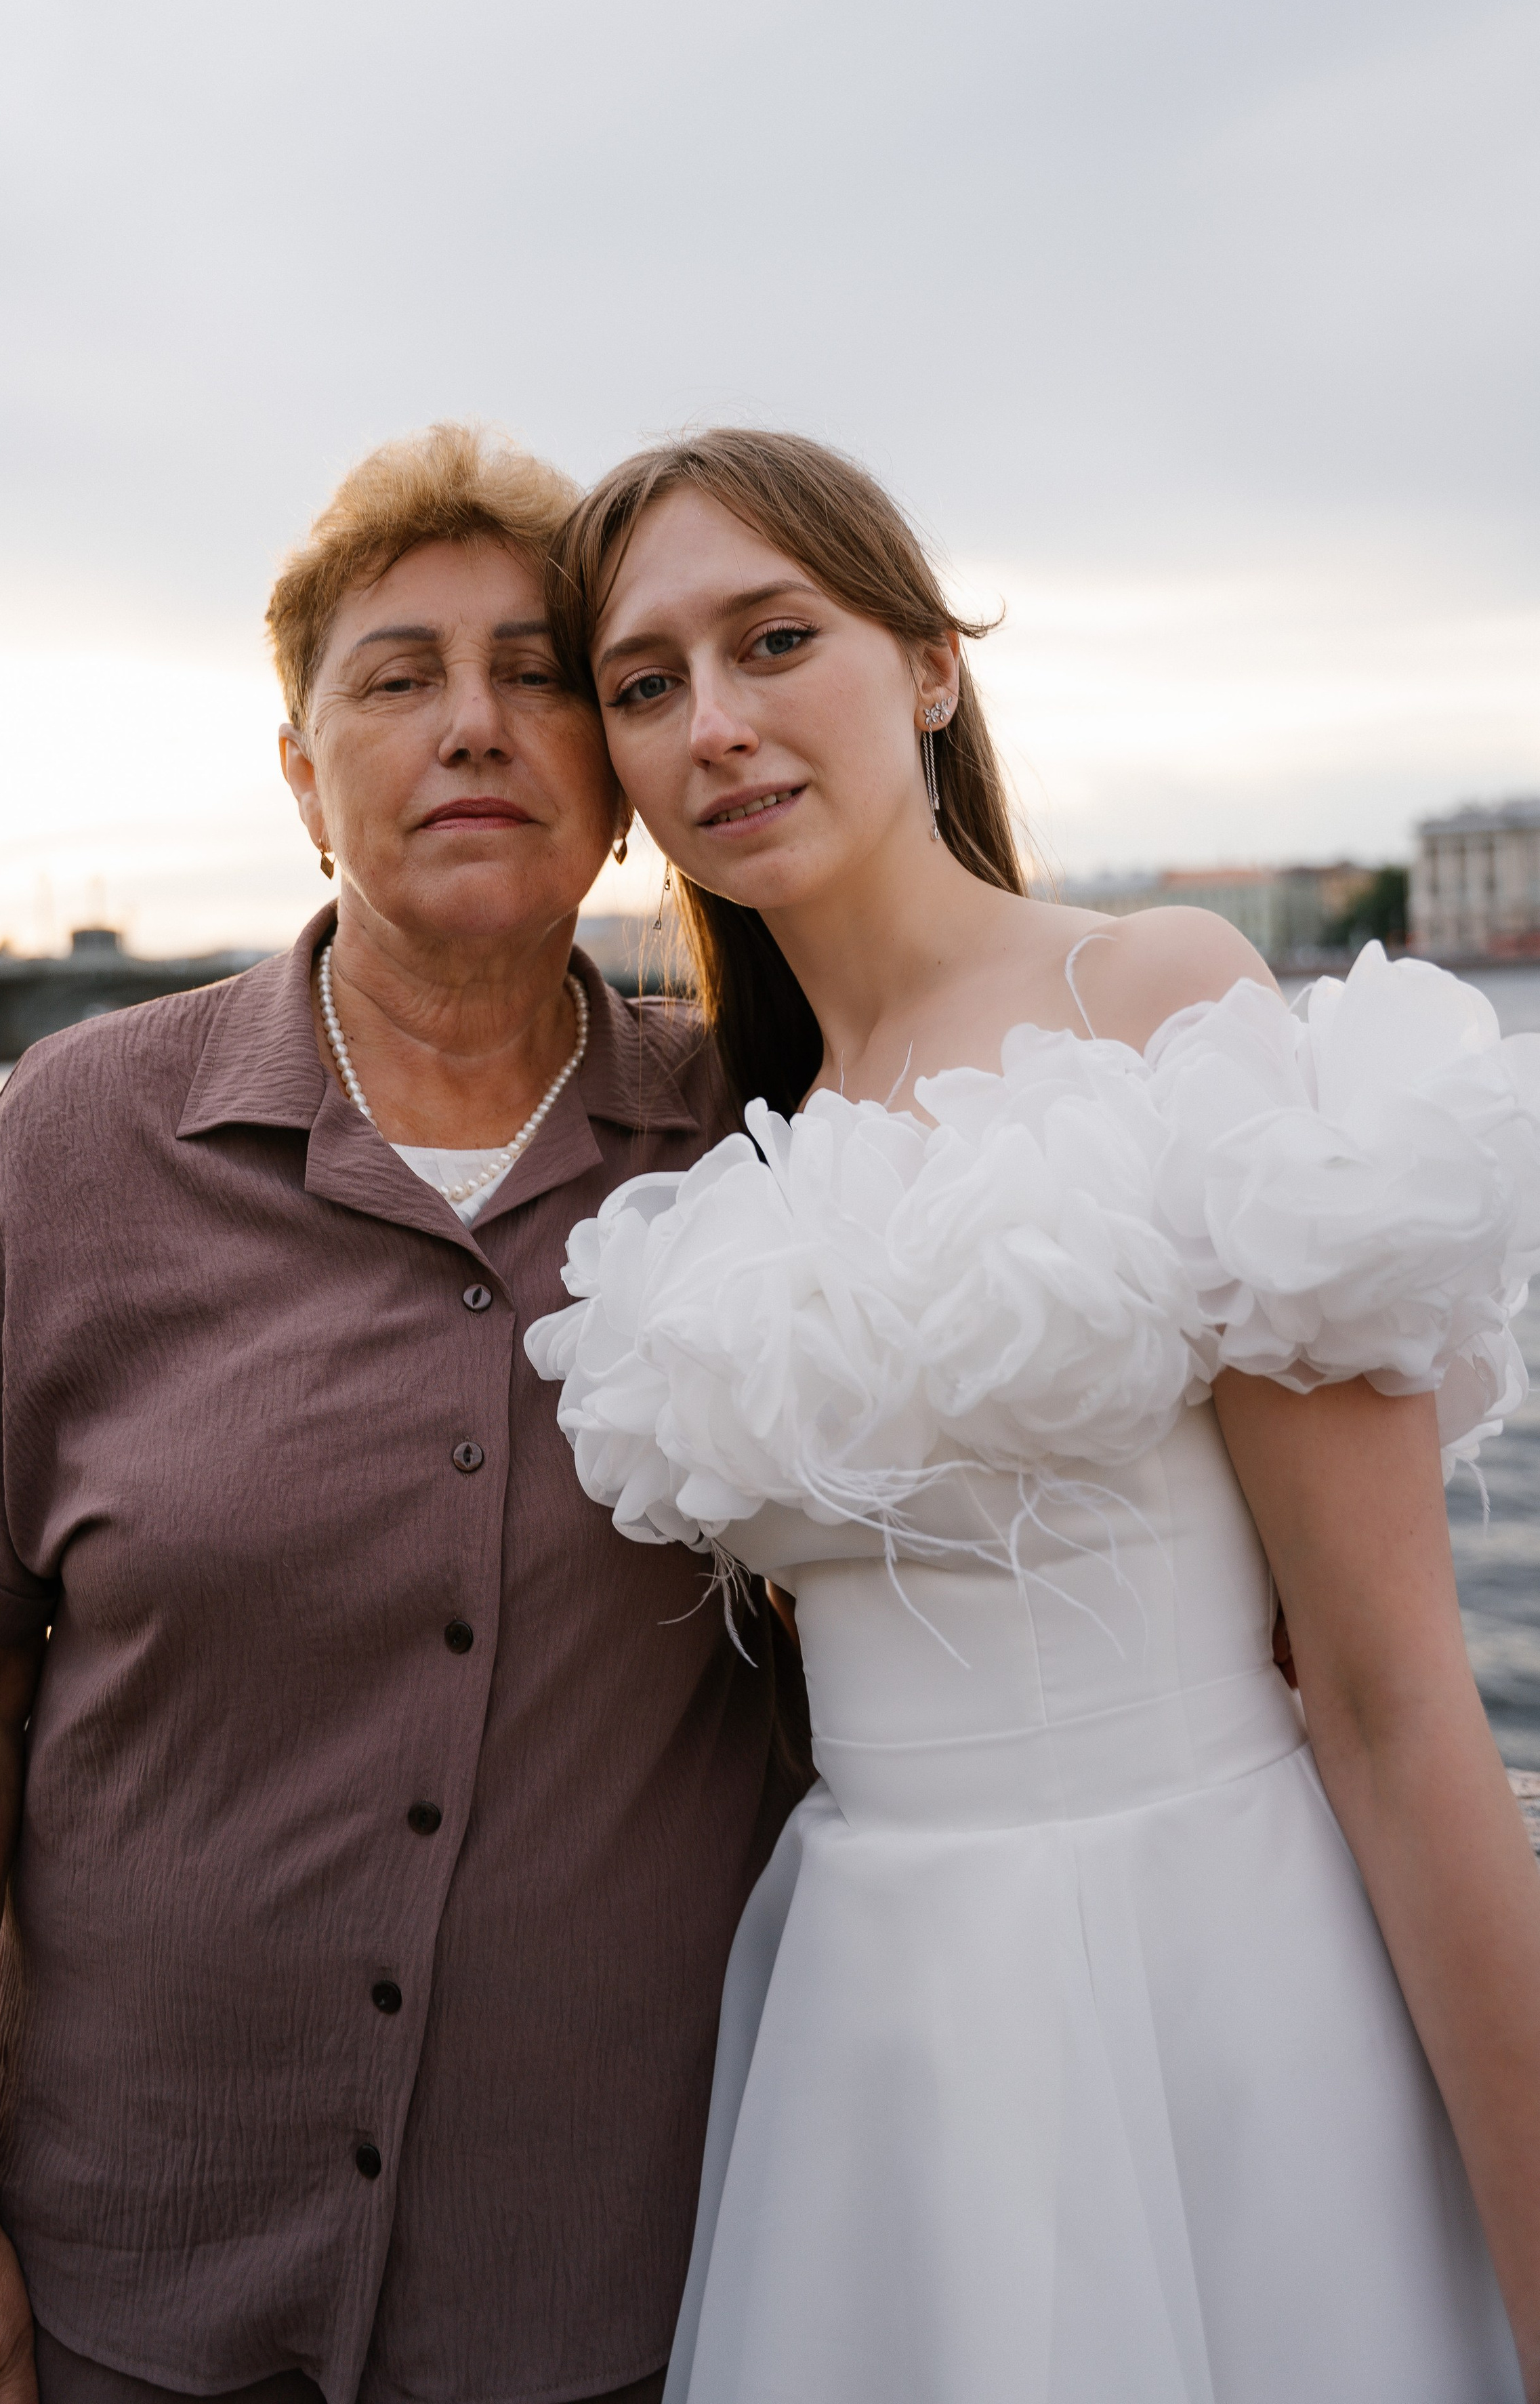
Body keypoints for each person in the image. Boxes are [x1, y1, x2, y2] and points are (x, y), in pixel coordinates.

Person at [528, 427, 1540, 2403]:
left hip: (1218, 1978)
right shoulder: (730, 1173)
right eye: (649, 684)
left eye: (775, 639)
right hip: (880, 2033)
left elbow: (1397, 1695)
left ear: (929, 666)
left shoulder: (1155, 992)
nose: (716, 722)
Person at [0, 424, 806, 2404]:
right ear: (300, 776)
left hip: (631, 2303)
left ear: (622, 787)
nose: (472, 725)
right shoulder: (77, 1142)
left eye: (538, 673)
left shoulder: (764, 1149)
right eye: (396, 677)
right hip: (140, 2306)